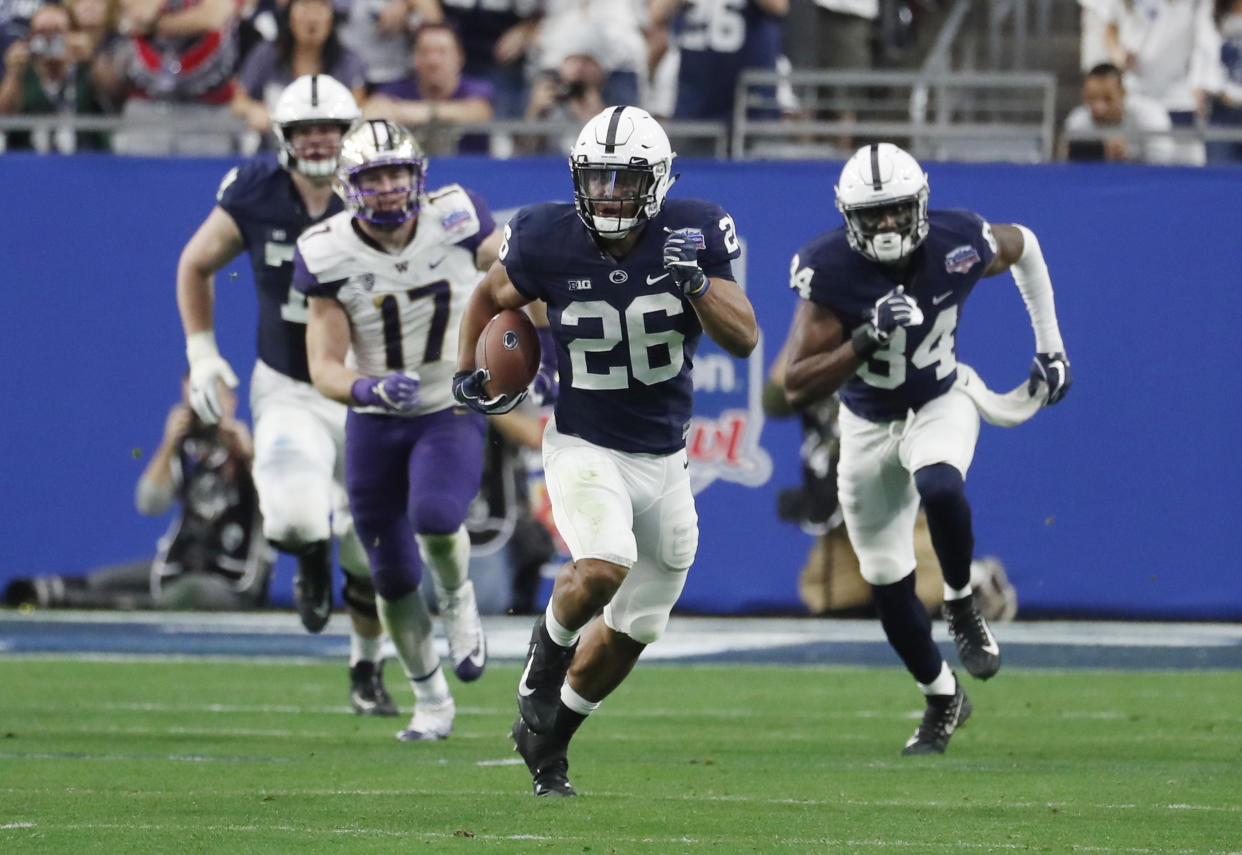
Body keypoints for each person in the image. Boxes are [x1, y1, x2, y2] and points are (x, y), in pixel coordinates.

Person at [452, 105, 758, 796]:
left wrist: (699, 284)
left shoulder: (695, 230)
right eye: (598, 180)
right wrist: (474, 369)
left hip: (666, 458)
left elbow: (744, 337)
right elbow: (488, 295)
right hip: (585, 442)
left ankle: (549, 744)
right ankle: (541, 661)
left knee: (634, 627)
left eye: (625, 181)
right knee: (603, 561)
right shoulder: (544, 236)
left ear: (656, 183)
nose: (610, 195)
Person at [781, 143, 1072, 755]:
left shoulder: (959, 241)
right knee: (886, 579)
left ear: (919, 205)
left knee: (941, 483)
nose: (887, 224)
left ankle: (962, 605)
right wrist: (865, 336)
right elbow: (795, 383)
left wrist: (1051, 347)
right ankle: (942, 697)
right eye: (873, 214)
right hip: (864, 423)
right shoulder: (829, 269)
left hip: (941, 398)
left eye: (896, 210)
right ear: (848, 218)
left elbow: (1026, 245)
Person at [176, 74, 398, 719]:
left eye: (331, 127)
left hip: (364, 387)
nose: (321, 140)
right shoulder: (254, 193)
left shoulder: (381, 195)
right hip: (290, 386)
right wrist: (202, 352)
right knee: (295, 521)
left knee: (369, 545)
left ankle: (367, 668)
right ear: (285, 138)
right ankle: (307, 555)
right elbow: (195, 262)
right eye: (307, 130)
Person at [295, 118, 503, 741]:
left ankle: (459, 597)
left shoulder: (459, 217)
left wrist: (539, 346)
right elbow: (323, 365)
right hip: (377, 421)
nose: (386, 188)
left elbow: (516, 280)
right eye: (372, 176)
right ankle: (431, 701)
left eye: (396, 173)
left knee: (438, 517)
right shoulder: (326, 250)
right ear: (346, 184)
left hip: (448, 406)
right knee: (387, 575)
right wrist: (368, 387)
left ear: (418, 176)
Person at [3, 377, 274, 612]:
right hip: (180, 566)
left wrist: (249, 458)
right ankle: (41, 594)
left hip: (231, 581)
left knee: (187, 594)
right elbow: (149, 504)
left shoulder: (254, 449)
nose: (202, 408)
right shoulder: (185, 451)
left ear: (231, 400)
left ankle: (129, 608)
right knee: (104, 581)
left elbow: (280, 511)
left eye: (210, 398)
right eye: (194, 398)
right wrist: (167, 445)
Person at [231, 0, 366, 139]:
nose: (312, 18)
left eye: (320, 8)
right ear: (289, 14)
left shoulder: (348, 61)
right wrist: (252, 109)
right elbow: (238, 102)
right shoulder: (266, 54)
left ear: (332, 17)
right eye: (304, 7)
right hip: (274, 150)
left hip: (331, 151)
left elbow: (357, 110)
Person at [363, 22, 493, 155]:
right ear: (414, 58)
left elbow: (480, 112)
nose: (433, 61)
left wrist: (419, 113)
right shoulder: (397, 88)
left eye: (442, 52)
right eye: (424, 52)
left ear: (460, 57)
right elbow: (372, 111)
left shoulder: (476, 88)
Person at [0, 1, 112, 152]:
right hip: (30, 163)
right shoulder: (24, 71)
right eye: (42, 32)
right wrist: (12, 74)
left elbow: (112, 93)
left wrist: (92, 57)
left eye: (56, 31)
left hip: (86, 160)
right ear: (30, 36)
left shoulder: (84, 67)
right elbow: (3, 118)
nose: (49, 39)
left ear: (69, 34)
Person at [1060, 62, 1186, 164]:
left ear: (1123, 94)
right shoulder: (1078, 122)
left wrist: (1128, 155)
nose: (1099, 107)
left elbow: (1162, 163)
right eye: (1091, 99)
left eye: (1108, 99)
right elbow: (1066, 160)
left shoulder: (1150, 116)